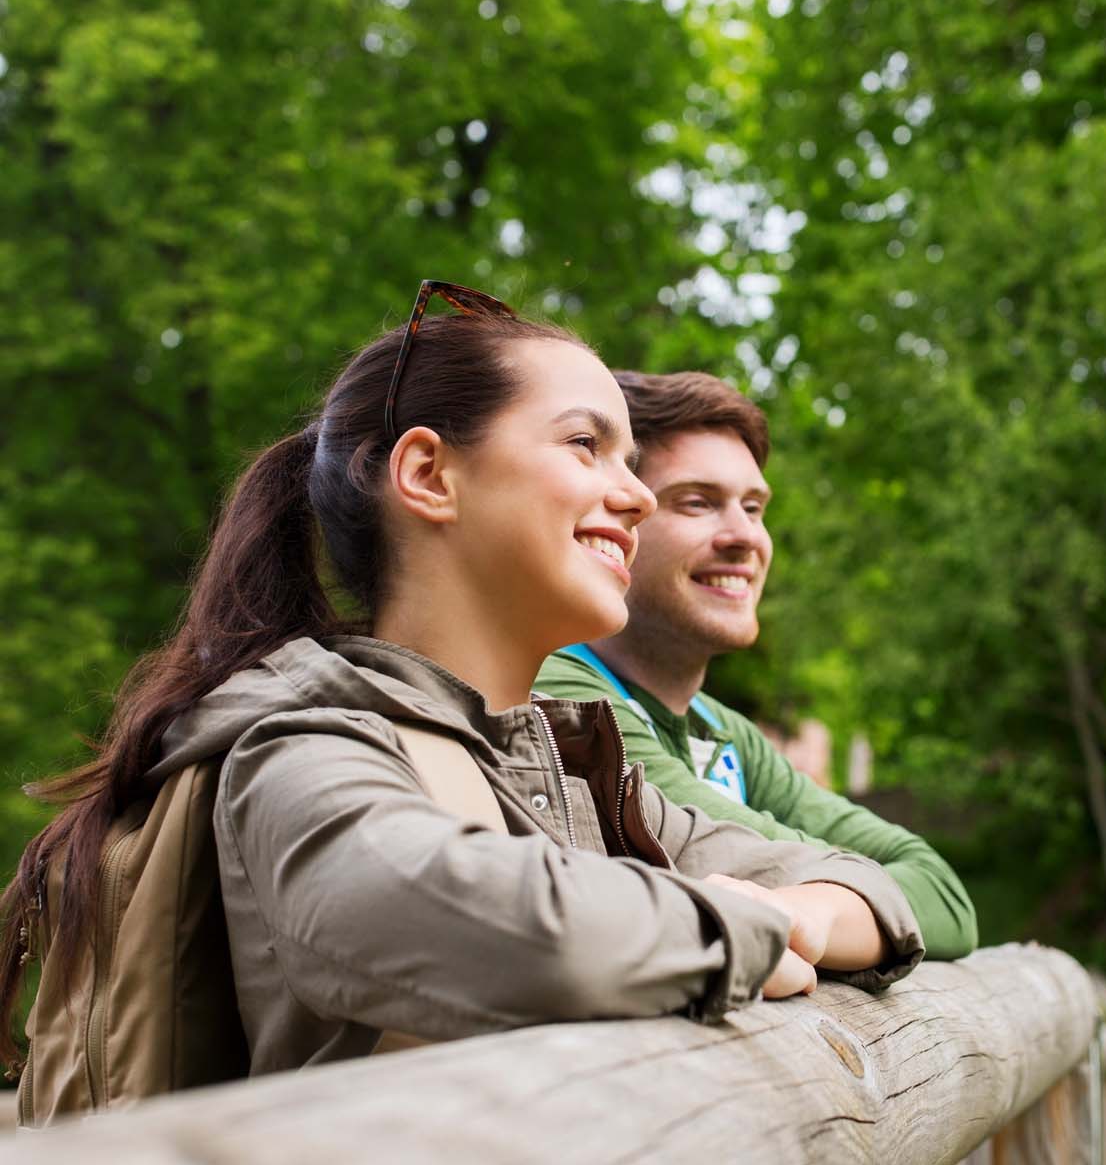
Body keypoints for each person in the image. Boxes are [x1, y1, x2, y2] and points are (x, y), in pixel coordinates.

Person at [0, 284, 923, 1077]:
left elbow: (874, 889)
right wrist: (743, 927)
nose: (636, 494)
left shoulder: (578, 776)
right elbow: (437, 910)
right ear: (431, 475)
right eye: (584, 446)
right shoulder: (305, 743)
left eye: (632, 463)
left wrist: (780, 914)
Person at [533, 371, 977, 959]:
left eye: (754, 507)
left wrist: (812, 910)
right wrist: (857, 902)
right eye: (699, 502)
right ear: (620, 516)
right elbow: (722, 860)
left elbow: (944, 898)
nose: (745, 537)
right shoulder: (554, 684)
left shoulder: (726, 734)